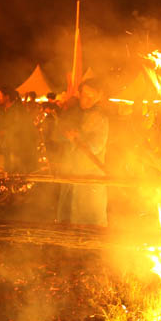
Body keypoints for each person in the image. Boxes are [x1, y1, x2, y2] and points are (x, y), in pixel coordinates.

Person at [55, 79, 109, 226]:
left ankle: (93, 246)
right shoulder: (74, 113)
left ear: (98, 96)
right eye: (84, 95)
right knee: (70, 216)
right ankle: (70, 245)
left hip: (91, 174)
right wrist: (66, 135)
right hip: (71, 170)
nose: (86, 100)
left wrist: (78, 139)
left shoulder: (101, 118)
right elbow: (59, 134)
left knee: (92, 218)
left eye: (91, 97)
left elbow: (96, 145)